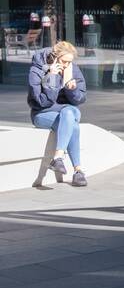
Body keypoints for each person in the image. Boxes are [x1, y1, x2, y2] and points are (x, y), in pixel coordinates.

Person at [27, 40, 89, 187]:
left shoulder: (72, 68)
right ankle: (78, 171)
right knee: (73, 125)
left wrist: (70, 88)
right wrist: (52, 77)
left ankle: (58, 157)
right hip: (42, 114)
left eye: (70, 62)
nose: (67, 65)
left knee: (69, 112)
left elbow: (80, 99)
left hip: (68, 111)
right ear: (54, 57)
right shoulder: (36, 70)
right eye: (64, 61)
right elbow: (42, 102)